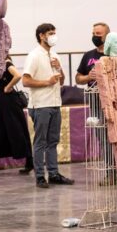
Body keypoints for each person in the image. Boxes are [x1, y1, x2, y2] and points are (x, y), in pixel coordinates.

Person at [22, 23, 74, 188]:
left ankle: (53, 173)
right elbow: (25, 80)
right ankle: (39, 176)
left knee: (53, 141)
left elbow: (61, 81)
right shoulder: (34, 55)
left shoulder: (54, 55)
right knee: (40, 141)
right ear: (41, 36)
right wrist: (47, 82)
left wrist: (60, 70)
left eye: (54, 33)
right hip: (40, 104)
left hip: (55, 103)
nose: (53, 36)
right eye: (50, 33)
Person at [75, 22, 117, 186]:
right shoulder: (88, 56)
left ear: (108, 36)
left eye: (98, 33)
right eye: (93, 33)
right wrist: (89, 77)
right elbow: (78, 78)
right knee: (104, 139)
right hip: (96, 102)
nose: (95, 36)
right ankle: (110, 173)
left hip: (115, 102)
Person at [0, 55, 34, 175]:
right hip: (0, 103)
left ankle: (30, 161)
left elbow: (18, 75)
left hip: (10, 103)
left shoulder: (6, 62)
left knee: (18, 131)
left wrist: (8, 87)